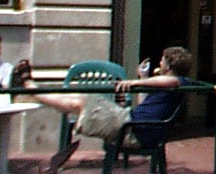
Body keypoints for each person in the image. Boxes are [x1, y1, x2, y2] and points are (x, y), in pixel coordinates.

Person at [16, 46, 193, 147]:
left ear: (169, 66)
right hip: (132, 122)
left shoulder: (179, 83)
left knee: (80, 104)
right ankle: (36, 93)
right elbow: (143, 103)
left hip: (134, 131)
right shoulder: (167, 85)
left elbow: (170, 82)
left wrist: (134, 83)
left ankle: (32, 90)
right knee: (80, 98)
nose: (159, 63)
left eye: (162, 60)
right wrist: (143, 78)